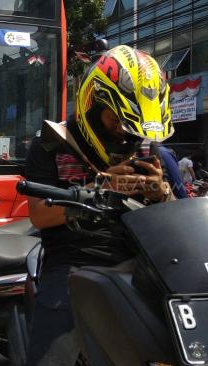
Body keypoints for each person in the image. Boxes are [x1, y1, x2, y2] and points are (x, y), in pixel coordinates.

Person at [24, 45, 174, 366]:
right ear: (93, 104)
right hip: (72, 267)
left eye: (131, 124)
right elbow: (38, 213)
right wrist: (102, 186)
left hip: (138, 267)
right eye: (115, 120)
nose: (123, 131)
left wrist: (161, 193)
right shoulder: (52, 144)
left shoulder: (144, 147)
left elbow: (174, 216)